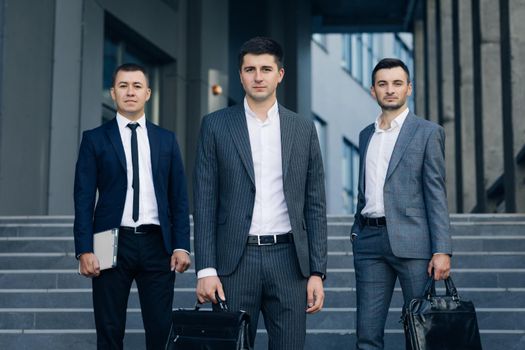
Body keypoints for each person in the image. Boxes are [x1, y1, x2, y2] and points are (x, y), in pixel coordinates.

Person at [193, 36, 327, 349]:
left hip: (290, 262)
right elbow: (204, 201)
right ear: (240, 75)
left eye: (266, 69)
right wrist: (206, 269)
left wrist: (317, 271)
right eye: (250, 69)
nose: (258, 76)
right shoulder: (215, 126)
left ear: (280, 74)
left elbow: (315, 204)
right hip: (235, 263)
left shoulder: (303, 128)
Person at [74, 63, 191, 349]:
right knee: (109, 329)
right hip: (109, 241)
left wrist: (181, 245)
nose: (130, 92)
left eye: (137, 86)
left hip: (157, 244)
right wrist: (84, 249)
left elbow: (178, 198)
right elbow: (84, 197)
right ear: (113, 93)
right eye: (123, 86)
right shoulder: (94, 139)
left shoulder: (166, 140)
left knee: (161, 330)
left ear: (148, 93)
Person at [351, 58, 452, 350]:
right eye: (383, 84)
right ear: (373, 91)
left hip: (414, 243)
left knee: (421, 334)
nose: (390, 90)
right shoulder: (365, 135)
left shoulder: (427, 133)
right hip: (369, 243)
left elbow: (435, 193)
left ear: (409, 88)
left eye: (397, 83)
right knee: (367, 336)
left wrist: (442, 249)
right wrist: (357, 232)